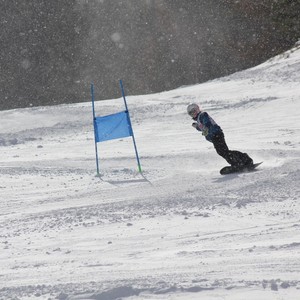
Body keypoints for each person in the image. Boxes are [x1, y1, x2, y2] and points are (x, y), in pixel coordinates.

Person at [187, 103, 253, 170]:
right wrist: (197, 127)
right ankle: (242, 160)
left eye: (194, 111)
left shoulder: (202, 115)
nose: (193, 114)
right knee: (223, 152)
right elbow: (202, 128)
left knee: (223, 152)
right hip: (214, 136)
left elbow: (207, 123)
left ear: (198, 109)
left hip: (216, 134)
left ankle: (240, 161)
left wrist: (205, 127)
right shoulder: (198, 119)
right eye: (191, 113)